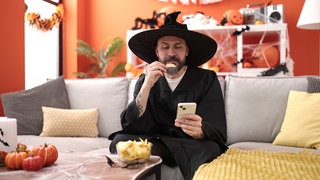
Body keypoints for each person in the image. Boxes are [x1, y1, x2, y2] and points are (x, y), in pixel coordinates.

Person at [109, 11, 227, 179]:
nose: (171, 53)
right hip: (157, 141)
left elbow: (217, 127)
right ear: (157, 52)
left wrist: (201, 131)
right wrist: (147, 85)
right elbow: (131, 124)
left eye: (178, 46)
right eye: (165, 47)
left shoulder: (207, 78)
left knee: (212, 149)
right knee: (120, 141)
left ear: (187, 51)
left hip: (191, 144)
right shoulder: (146, 79)